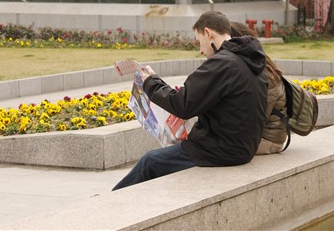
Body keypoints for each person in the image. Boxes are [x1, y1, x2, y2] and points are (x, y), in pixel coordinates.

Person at [112, 11, 268, 190]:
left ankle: (110, 203)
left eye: (199, 41)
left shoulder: (222, 64)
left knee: (150, 161)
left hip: (221, 150)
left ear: (208, 33)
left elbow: (182, 105)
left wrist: (150, 82)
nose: (200, 50)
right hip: (242, 147)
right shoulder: (247, 61)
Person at [230, 21, 288, 154]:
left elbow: (257, 116)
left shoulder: (265, 74)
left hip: (269, 139)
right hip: (259, 136)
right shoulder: (253, 65)